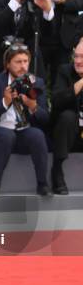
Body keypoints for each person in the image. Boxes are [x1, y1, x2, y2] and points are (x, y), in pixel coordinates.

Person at [0, 43, 50, 197]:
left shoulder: (36, 82)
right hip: (0, 130)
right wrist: (4, 102)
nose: (23, 66)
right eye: (18, 62)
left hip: (24, 130)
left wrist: (33, 106)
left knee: (37, 135)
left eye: (26, 61)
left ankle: (43, 184)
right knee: (6, 136)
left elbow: (46, 118)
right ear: (7, 64)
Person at [51, 38, 83, 194]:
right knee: (68, 117)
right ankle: (57, 171)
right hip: (69, 133)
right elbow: (57, 101)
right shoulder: (65, 71)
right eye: (76, 56)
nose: (78, 61)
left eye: (82, 57)